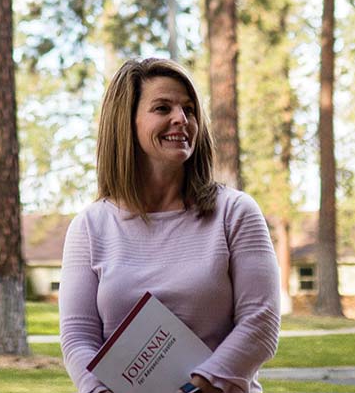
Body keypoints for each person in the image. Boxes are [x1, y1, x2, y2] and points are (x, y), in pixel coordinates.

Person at [60, 58, 281, 393]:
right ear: (126, 123)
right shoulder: (90, 227)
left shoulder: (235, 212)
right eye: (162, 108)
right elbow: (78, 337)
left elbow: (260, 324)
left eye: (189, 110)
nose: (181, 119)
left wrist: (196, 388)